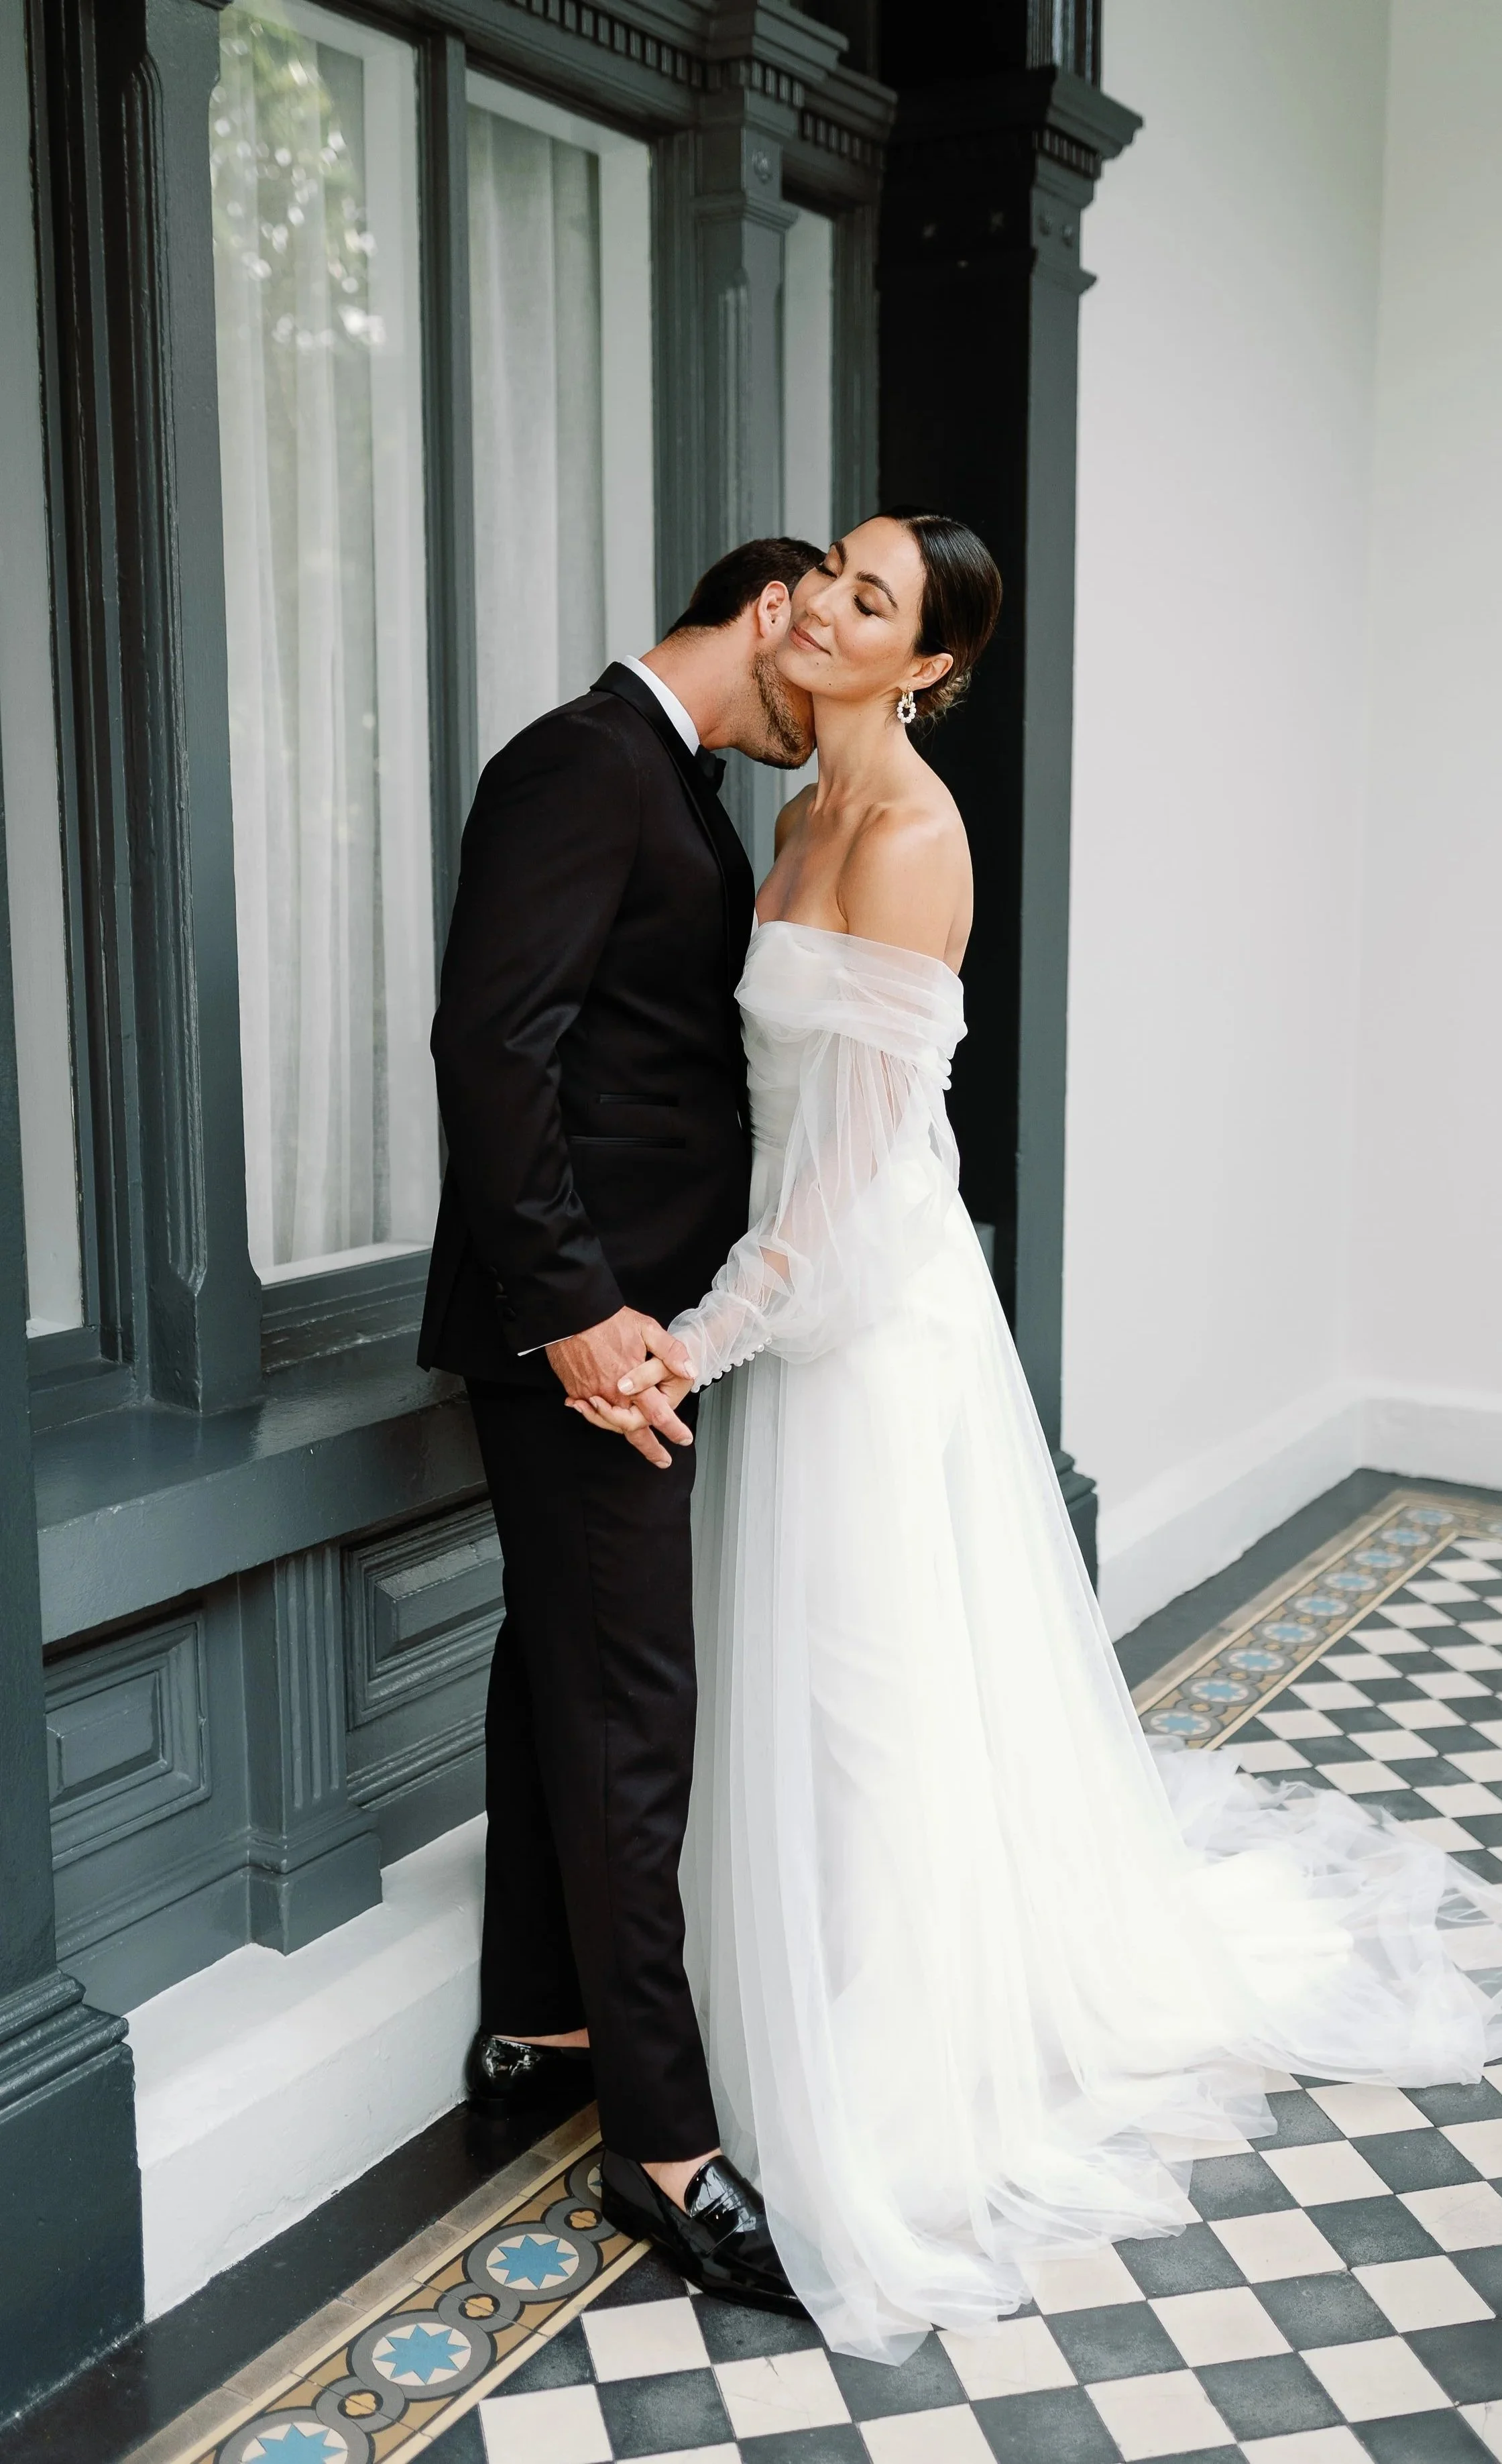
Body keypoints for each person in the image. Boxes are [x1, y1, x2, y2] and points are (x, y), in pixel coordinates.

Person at [576, 509, 1502, 2362]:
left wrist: (700, 1343)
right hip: (781, 1309)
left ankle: (885, 2076)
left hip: (863, 1325)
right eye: (833, 576)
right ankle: (783, 1994)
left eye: (870, 600)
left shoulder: (908, 839)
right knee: (788, 1692)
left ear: (927, 668)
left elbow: (865, 1164)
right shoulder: (789, 814)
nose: (821, 607)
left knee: (874, 1699)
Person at [418, 537, 827, 2314]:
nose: (832, 691)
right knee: (632, 1705)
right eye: (821, 641)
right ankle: (663, 2146)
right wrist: (583, 1315)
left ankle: (542, 2013)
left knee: (561, 1669)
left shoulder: (677, 783)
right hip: (588, 1337)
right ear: (768, 609)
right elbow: (492, 1048)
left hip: (633, 1329)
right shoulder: (583, 761)